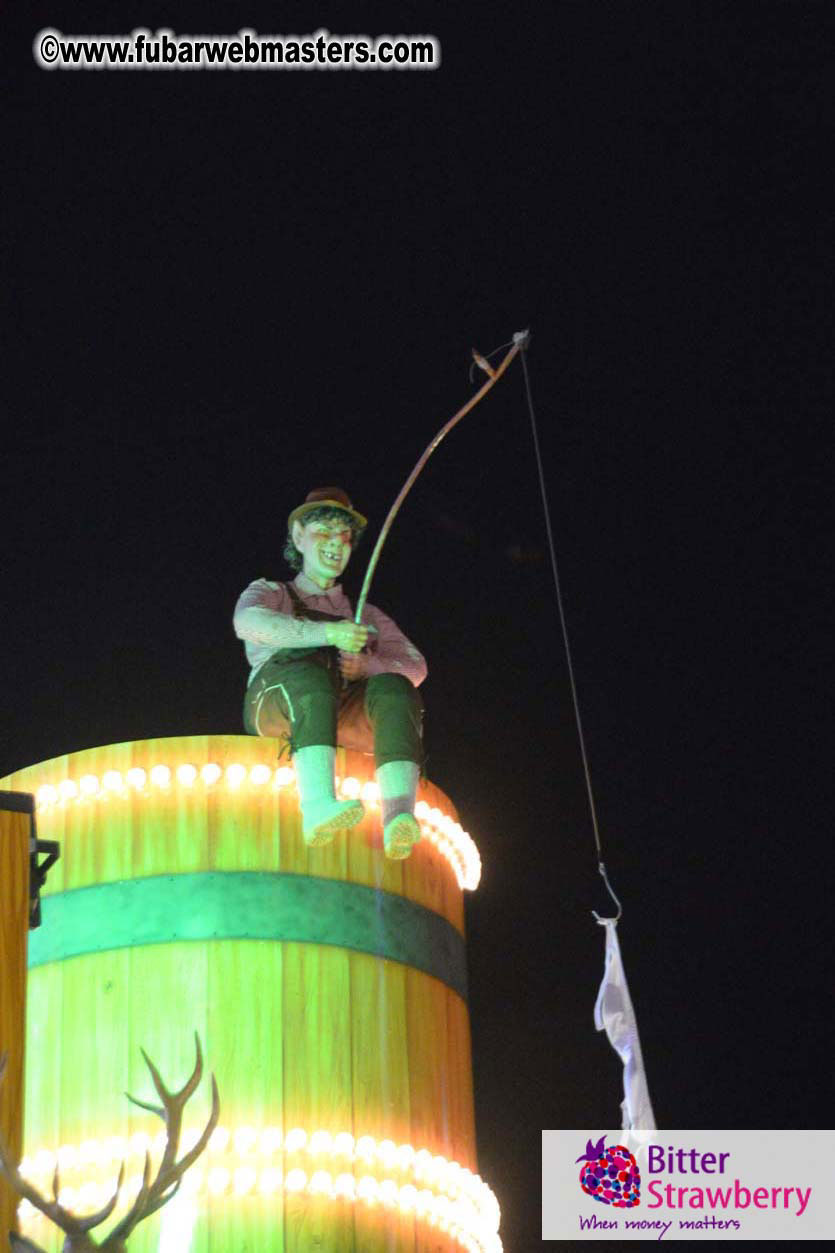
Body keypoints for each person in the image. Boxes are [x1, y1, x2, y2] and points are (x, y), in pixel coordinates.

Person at [233, 487, 427, 859]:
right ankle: (318, 805)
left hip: (342, 715)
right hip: (278, 706)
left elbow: (415, 665)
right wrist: (328, 633)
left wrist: (369, 666)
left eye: (344, 537)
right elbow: (247, 621)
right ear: (298, 537)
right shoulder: (272, 592)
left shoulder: (365, 614)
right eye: (324, 532)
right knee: (310, 678)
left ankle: (398, 815)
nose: (336, 544)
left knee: (394, 687)